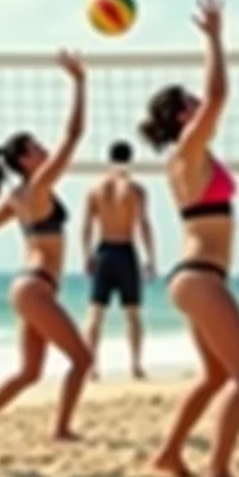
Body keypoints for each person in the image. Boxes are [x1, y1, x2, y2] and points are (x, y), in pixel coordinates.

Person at [138, 0, 239, 477]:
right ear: (179, 117)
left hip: (196, 277)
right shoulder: (187, 152)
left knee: (215, 376)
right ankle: (217, 471)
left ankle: (168, 455)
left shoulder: (192, 155)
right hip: (200, 277)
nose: (199, 105)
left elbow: (211, 104)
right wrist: (214, 39)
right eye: (189, 103)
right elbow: (219, 98)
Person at [0, 50, 93, 448]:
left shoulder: (19, 195)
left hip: (28, 286)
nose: (45, 150)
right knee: (82, 360)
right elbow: (73, 137)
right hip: (35, 286)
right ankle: (62, 428)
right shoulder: (37, 187)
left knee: (31, 372)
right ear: (24, 161)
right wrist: (80, 84)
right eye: (36, 148)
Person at [82, 140, 157, 381]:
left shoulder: (95, 190)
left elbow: (85, 227)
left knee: (95, 313)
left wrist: (87, 256)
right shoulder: (136, 190)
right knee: (132, 313)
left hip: (104, 250)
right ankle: (136, 365)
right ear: (130, 159)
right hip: (126, 250)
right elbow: (144, 224)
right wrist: (151, 258)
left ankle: (92, 367)